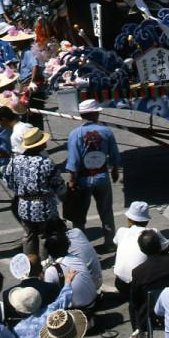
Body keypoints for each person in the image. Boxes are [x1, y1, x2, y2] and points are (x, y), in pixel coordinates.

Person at [63, 98, 121, 246]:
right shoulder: (106, 131)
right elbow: (114, 155)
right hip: (102, 176)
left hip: (83, 179)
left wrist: (72, 180)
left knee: (79, 215)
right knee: (106, 211)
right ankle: (110, 243)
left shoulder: (75, 134)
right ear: (95, 114)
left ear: (81, 115)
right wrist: (115, 170)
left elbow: (73, 161)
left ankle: (80, 246)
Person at [2, 126, 62, 260]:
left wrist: (20, 192)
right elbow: (58, 184)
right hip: (44, 206)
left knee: (29, 235)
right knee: (45, 236)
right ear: (38, 145)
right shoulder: (46, 162)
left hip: (24, 205)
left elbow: (7, 180)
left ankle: (29, 265)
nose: (45, 143)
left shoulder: (15, 161)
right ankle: (45, 264)